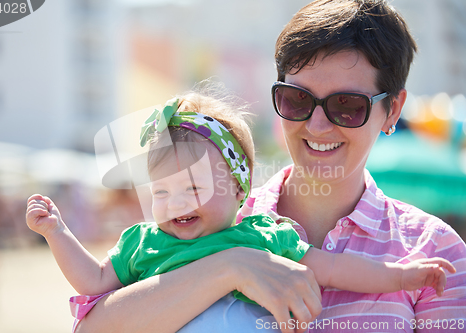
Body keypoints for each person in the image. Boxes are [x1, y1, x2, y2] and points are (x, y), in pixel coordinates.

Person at [57, 1, 466, 333]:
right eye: (297, 99)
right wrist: (229, 265)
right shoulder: (206, 218)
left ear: (392, 109)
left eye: (347, 105)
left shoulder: (436, 253)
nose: (317, 124)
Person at [27, 89, 456, 333]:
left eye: (193, 187)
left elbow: (335, 268)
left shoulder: (262, 235)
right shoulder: (143, 244)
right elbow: (92, 284)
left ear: (238, 189)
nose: (177, 203)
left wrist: (401, 276)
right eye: (161, 193)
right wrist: (56, 232)